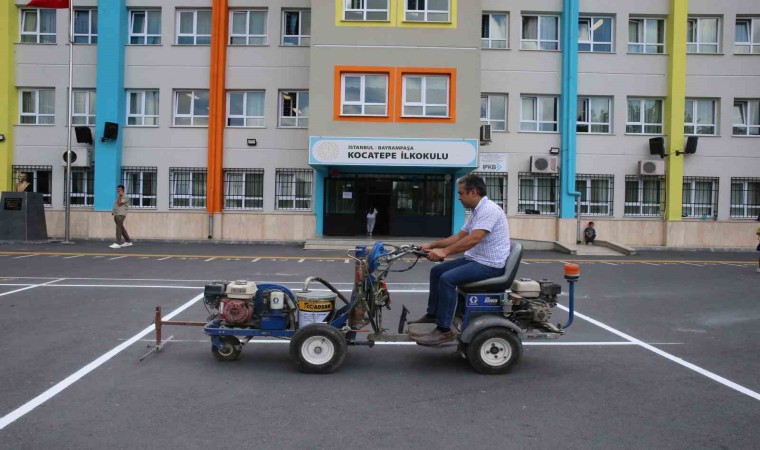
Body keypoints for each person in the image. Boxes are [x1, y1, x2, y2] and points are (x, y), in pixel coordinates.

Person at [410, 174, 510, 346]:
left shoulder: (489, 210)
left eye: (461, 193)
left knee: (447, 279)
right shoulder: (476, 211)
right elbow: (459, 237)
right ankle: (434, 314)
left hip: (490, 265)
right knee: (437, 271)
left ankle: (444, 330)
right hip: (476, 259)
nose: (459, 197)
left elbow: (474, 239)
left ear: (473, 192)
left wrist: (444, 252)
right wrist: (431, 246)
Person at [110, 185, 133, 249]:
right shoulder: (119, 196)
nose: (118, 190)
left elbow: (119, 203)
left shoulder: (125, 196)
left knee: (118, 228)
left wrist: (120, 196)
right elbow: (116, 205)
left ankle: (118, 243)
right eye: (118, 189)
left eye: (120, 189)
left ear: (123, 190)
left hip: (121, 214)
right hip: (116, 214)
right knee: (121, 228)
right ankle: (128, 241)